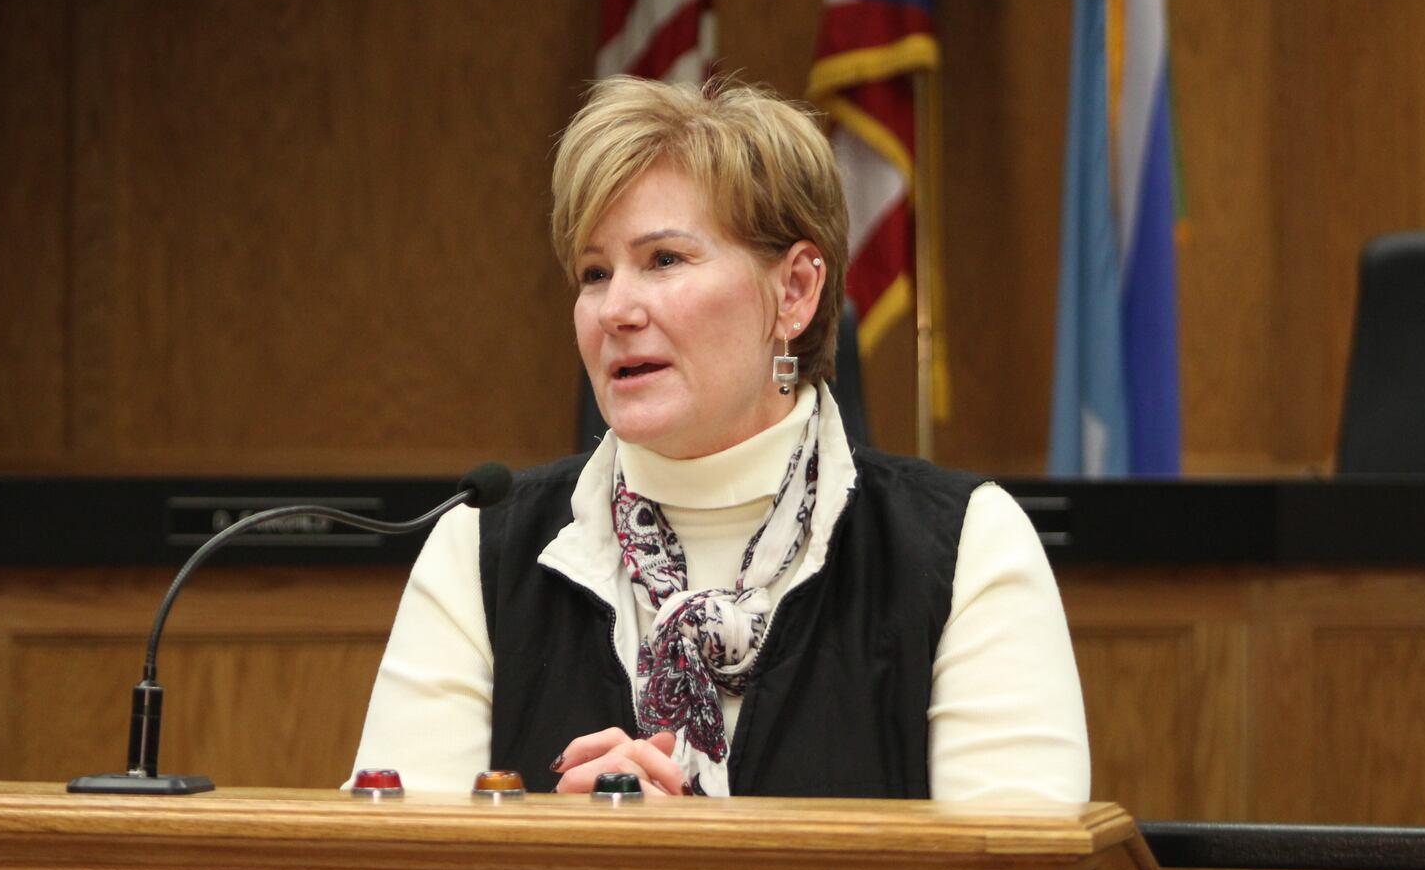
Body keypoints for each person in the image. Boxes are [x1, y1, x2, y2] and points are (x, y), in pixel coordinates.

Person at [351, 77, 1088, 800]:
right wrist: (558, 855)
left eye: (664, 260)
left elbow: (1016, 858)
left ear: (794, 292)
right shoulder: (481, 547)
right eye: (594, 272)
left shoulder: (964, 548)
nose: (616, 309)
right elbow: (388, 856)